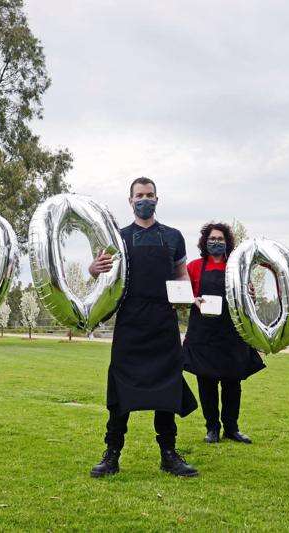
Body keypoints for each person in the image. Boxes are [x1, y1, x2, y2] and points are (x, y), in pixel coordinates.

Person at [88, 177, 198, 478]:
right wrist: (93, 269)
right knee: (120, 390)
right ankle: (111, 455)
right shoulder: (118, 237)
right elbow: (100, 270)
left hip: (164, 322)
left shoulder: (174, 237)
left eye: (149, 195)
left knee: (167, 388)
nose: (144, 199)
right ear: (130, 200)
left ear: (157, 199)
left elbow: (180, 275)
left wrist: (188, 296)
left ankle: (169, 455)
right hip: (130, 322)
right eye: (139, 195)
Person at [182, 222, 265, 444]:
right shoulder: (194, 267)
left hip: (231, 334)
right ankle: (212, 428)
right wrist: (193, 299)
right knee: (206, 383)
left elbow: (247, 303)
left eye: (220, 239)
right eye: (212, 239)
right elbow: (180, 295)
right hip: (203, 335)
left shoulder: (236, 269)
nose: (216, 242)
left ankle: (231, 428)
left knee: (232, 383)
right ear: (204, 242)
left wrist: (250, 295)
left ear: (227, 242)